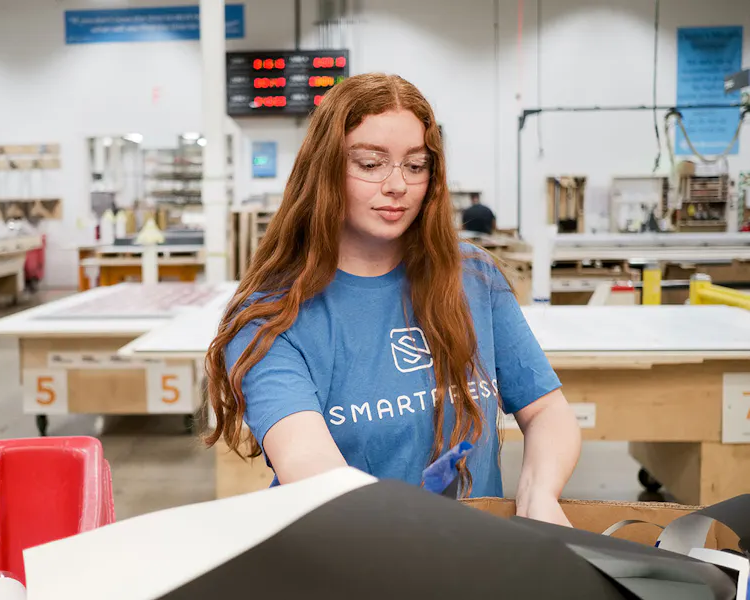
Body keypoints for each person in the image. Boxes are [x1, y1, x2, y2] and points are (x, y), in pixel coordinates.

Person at [205, 73, 580, 526]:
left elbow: (546, 410)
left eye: (416, 166)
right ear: (324, 170)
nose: (397, 184)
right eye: (370, 164)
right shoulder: (271, 315)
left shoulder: (473, 277)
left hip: (475, 556)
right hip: (351, 557)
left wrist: (538, 494)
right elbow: (309, 464)